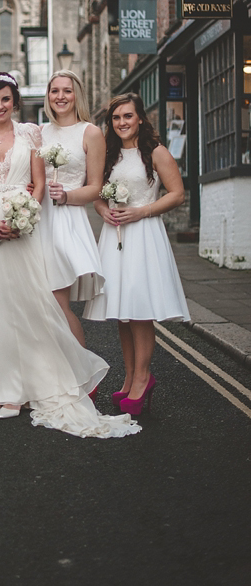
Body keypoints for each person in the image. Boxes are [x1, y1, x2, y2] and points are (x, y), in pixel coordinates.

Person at [0, 72, 140, 438]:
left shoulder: (37, 133)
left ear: (15, 101)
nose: (0, 105)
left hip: (39, 223)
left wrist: (27, 210)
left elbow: (50, 183)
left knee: (38, 304)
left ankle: (56, 381)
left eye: (6, 98)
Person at [84, 93, 190, 415]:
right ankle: (129, 378)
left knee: (140, 309)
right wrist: (103, 210)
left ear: (140, 118)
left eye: (128, 116)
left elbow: (177, 194)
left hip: (143, 235)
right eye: (116, 118)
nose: (122, 123)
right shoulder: (109, 154)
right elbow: (97, 193)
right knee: (121, 310)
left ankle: (144, 378)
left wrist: (142, 212)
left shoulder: (155, 152)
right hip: (115, 237)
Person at [39, 71, 105, 347]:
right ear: (48, 96)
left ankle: (84, 375)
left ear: (77, 94)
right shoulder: (39, 132)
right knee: (39, 304)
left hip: (66, 221)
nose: (61, 96)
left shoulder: (91, 132)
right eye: (55, 91)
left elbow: (96, 187)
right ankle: (53, 375)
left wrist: (66, 196)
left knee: (57, 302)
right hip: (39, 221)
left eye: (67, 91)